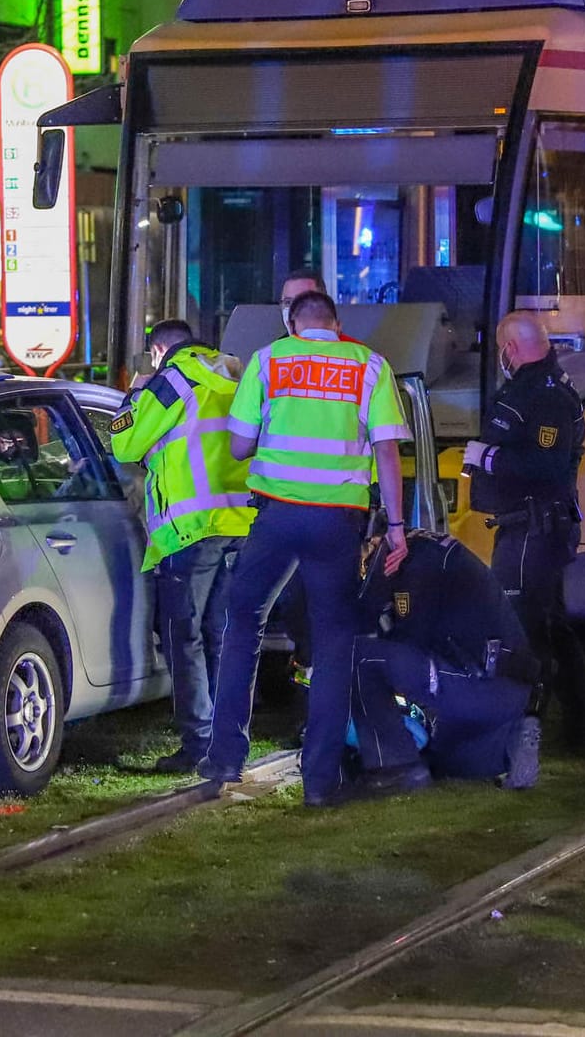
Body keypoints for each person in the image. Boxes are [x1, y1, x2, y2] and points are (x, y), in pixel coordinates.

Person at [200, 290, 411, 808]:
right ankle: (320, 782)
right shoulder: (369, 365)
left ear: (293, 324)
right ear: (335, 324)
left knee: (243, 618)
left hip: (277, 516)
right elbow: (387, 449)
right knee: (334, 638)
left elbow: (239, 446)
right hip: (338, 521)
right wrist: (399, 525)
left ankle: (226, 754)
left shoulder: (269, 359)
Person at [111, 319, 254, 773]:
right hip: (239, 521)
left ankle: (199, 743)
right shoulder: (234, 371)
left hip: (191, 529)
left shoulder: (173, 379)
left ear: (158, 351)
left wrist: (136, 392)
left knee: (182, 637)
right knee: (221, 636)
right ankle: (224, 741)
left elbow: (123, 443)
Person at [463, 311, 585, 752]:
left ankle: (522, 733)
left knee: (522, 632)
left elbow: (546, 465)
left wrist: (486, 459)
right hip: (532, 526)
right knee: (551, 630)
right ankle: (581, 731)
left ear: (509, 348)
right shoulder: (539, 388)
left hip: (534, 529)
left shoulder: (544, 396)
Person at [353, 531, 541, 789]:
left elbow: (408, 644)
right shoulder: (427, 551)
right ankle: (508, 746)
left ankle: (395, 767)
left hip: (481, 681)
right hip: (498, 686)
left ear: (375, 542)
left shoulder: (417, 564)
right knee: (438, 762)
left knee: (361, 657)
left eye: (363, 562)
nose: (362, 570)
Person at [272, 268, 328, 685]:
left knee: (320, 609)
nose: (293, 311)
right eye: (287, 302)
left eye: (301, 301)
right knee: (295, 605)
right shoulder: (271, 359)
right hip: (285, 508)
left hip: (335, 511)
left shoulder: (355, 359)